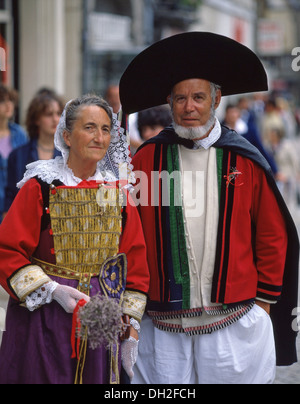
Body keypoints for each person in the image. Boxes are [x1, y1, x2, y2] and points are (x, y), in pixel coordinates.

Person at [119, 32, 299, 384]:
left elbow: (271, 234)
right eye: (181, 98)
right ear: (169, 102)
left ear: (216, 99)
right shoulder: (146, 160)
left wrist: (262, 304)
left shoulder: (242, 157)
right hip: (163, 323)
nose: (190, 107)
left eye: (199, 97)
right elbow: (129, 234)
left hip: (233, 318)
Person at [0, 94, 149, 384]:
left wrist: (130, 327)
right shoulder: (39, 187)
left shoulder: (118, 194)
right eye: (90, 127)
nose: (99, 137)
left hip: (100, 322)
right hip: (43, 320)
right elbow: (7, 251)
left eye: (106, 129)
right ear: (67, 136)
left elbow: (137, 266)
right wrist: (52, 290)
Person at [4, 91, 64, 214]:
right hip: (25, 220)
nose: (55, 119)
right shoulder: (17, 155)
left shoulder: (68, 154)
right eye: (49, 114)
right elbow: (10, 198)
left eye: (58, 114)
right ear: (36, 119)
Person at [0, 85, 27, 220]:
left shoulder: (19, 134)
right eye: (2, 101)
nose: (8, 105)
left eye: (10, 100)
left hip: (14, 203)